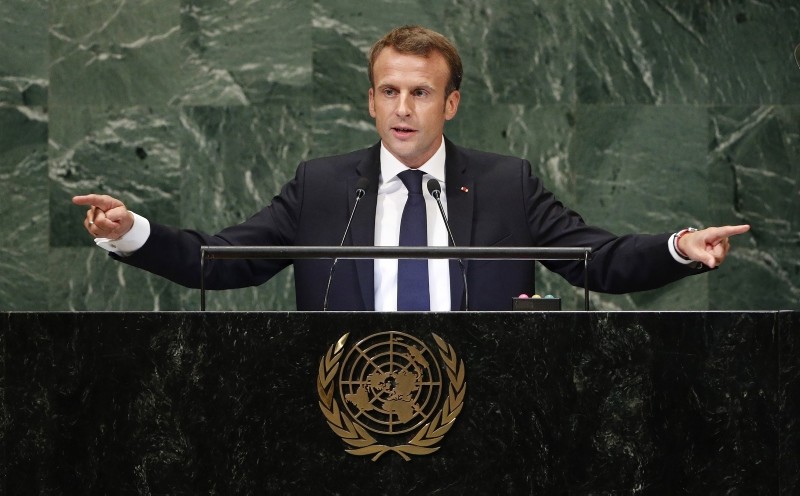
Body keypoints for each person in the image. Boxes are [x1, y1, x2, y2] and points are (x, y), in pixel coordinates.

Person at [73, 25, 750, 311]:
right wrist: (131, 230)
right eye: (389, 91)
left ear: (450, 102)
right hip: (345, 414)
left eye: (421, 92)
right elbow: (219, 260)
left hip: (485, 420)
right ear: (370, 100)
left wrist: (678, 249)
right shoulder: (322, 186)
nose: (403, 107)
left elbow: (595, 260)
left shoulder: (505, 183)